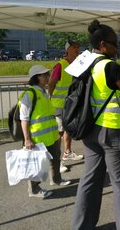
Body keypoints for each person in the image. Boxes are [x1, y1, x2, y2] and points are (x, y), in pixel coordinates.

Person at [72, 20, 120, 230]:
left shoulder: (83, 64)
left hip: (89, 129)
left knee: (89, 181)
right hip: (113, 131)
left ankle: (81, 226)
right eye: (113, 43)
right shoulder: (110, 66)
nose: (116, 48)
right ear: (102, 45)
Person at [20, 65, 71, 199]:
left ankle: (56, 179)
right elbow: (24, 119)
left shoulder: (44, 92)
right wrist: (27, 139)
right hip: (38, 138)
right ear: (37, 78)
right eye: (45, 75)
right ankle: (34, 190)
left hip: (51, 136)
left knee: (55, 159)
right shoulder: (29, 94)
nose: (48, 77)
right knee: (36, 165)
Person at [48, 40, 83, 174]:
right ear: (67, 49)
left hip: (70, 105)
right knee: (59, 134)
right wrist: (51, 97)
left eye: (78, 47)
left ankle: (67, 152)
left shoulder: (76, 64)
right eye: (74, 47)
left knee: (67, 130)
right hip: (59, 106)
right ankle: (57, 162)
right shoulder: (60, 65)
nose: (77, 49)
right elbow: (51, 83)